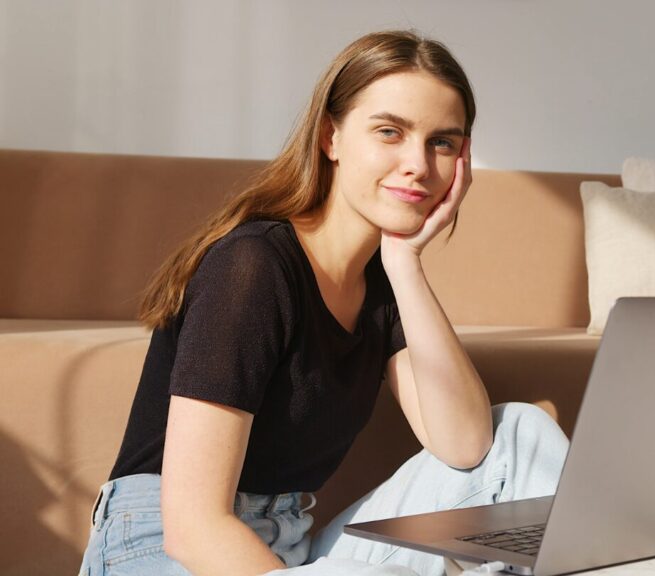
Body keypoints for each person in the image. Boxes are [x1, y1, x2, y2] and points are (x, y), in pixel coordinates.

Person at [78, 30, 569, 576]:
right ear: (330, 138)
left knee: (519, 436)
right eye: (390, 132)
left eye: (443, 143)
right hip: (160, 551)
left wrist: (406, 263)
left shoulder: (380, 282)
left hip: (290, 548)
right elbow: (193, 527)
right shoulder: (252, 266)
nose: (419, 164)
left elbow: (468, 449)